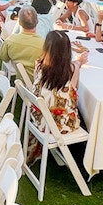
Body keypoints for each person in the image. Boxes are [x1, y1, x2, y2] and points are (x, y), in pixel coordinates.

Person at [27, 31, 88, 163]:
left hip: (38, 118)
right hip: (61, 125)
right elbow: (73, 97)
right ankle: (81, 154)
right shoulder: (71, 69)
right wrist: (78, 64)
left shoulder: (39, 64)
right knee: (87, 113)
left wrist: (76, 64)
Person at [0, 6, 45, 80]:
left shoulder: (10, 40)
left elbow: (4, 57)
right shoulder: (44, 44)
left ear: (19, 22)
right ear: (37, 22)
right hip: (38, 81)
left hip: (20, 80)